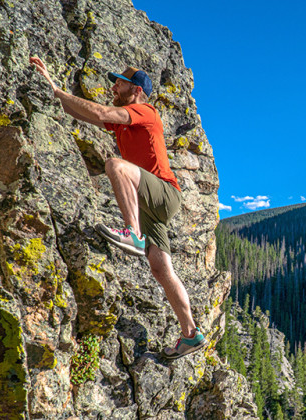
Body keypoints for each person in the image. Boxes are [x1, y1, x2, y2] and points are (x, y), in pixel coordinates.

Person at [29, 56, 207, 359]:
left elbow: (100, 110)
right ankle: (190, 334)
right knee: (161, 268)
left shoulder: (145, 111)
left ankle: (133, 233)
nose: (114, 86)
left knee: (116, 165)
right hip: (150, 202)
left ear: (135, 90)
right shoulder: (125, 120)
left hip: (164, 194)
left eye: (120, 82)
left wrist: (58, 91)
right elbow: (88, 114)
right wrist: (52, 89)